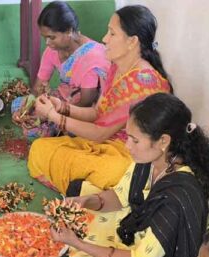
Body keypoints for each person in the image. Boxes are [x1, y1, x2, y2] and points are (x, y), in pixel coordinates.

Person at [52, 93, 209, 257]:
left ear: (163, 141)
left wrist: (77, 243)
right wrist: (84, 201)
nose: (127, 146)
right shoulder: (151, 159)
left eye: (134, 139)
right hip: (140, 228)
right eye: (128, 137)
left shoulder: (177, 197)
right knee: (77, 187)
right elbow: (119, 197)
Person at [28, 5, 171, 194]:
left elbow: (99, 133)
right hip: (107, 143)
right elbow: (97, 113)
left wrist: (54, 116)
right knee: (39, 148)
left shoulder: (140, 82)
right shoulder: (116, 67)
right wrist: (61, 106)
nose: (104, 39)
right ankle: (87, 189)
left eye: (112, 34)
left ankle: (97, 190)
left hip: (131, 154)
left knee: (106, 171)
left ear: (132, 41)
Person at [10, 1, 110, 140]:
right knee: (17, 105)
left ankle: (57, 129)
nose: (47, 43)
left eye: (51, 37)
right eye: (45, 37)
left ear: (69, 31)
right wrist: (27, 108)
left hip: (82, 111)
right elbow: (38, 86)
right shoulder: (52, 50)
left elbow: (85, 102)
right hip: (61, 98)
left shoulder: (91, 59)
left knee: (35, 131)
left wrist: (50, 114)